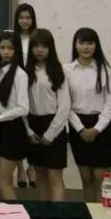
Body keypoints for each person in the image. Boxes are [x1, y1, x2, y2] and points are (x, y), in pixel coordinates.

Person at [65, 27, 111, 202]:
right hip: (77, 126)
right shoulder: (67, 70)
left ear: (96, 45)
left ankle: (104, 215)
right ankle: (90, 215)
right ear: (75, 45)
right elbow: (65, 103)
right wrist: (80, 128)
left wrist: (96, 129)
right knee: (86, 180)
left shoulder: (105, 70)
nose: (85, 47)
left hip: (102, 127)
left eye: (90, 43)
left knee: (101, 179)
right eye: (81, 43)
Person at [24, 29, 70, 202]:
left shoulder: (58, 71)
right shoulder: (25, 72)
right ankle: (44, 214)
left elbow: (64, 106)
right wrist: (28, 131)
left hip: (54, 125)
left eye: (44, 46)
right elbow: (21, 105)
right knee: (40, 176)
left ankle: (57, 215)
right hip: (33, 125)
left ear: (51, 48)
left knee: (55, 176)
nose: (39, 50)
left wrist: (51, 134)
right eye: (35, 46)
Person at [0, 31, 29, 200]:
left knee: (2, 180)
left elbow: (23, 108)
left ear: (17, 50)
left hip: (13, 129)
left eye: (10, 48)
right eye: (2, 47)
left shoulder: (20, 74)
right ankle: (10, 212)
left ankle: (16, 215)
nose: (6, 52)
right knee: (5, 179)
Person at [12, 3, 38, 188]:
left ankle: (32, 166)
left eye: (28, 17)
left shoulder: (38, 38)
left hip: (35, 83)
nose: (24, 21)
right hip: (16, 82)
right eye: (21, 17)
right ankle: (20, 167)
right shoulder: (12, 37)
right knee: (19, 124)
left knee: (33, 124)